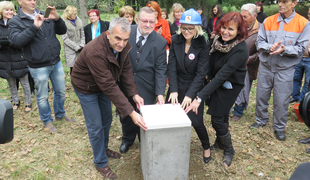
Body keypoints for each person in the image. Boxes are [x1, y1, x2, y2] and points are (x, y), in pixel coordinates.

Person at [71, 17, 146, 179]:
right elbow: (109, 86)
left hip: (102, 85)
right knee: (96, 126)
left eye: (125, 40)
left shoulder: (122, 47)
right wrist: (131, 112)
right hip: (86, 87)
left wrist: (134, 94)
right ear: (108, 34)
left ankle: (103, 148)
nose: (121, 44)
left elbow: (125, 70)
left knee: (107, 119)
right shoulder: (95, 52)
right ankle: (100, 162)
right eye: (117, 38)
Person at [185, 12, 249, 167]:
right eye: (224, 28)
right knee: (223, 115)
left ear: (239, 32)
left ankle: (229, 149)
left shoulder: (240, 49)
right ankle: (220, 143)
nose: (226, 32)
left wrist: (199, 98)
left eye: (231, 30)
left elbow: (223, 75)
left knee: (217, 119)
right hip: (215, 82)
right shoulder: (218, 41)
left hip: (229, 86)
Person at [9, 1, 76, 132]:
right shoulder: (15, 21)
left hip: (55, 61)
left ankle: (60, 115)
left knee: (61, 92)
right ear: (20, 2)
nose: (32, 1)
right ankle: (47, 121)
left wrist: (57, 19)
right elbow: (17, 41)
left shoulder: (44, 14)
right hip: (38, 66)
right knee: (43, 96)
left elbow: (62, 30)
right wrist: (34, 27)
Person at [249, 0, 310, 141]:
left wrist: (285, 49)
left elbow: (301, 48)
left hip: (285, 69)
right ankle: (261, 120)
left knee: (281, 99)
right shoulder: (268, 20)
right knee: (261, 96)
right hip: (266, 66)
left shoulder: (303, 23)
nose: (280, 4)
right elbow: (259, 42)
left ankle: (279, 127)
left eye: (285, 1)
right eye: (279, 1)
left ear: (294, 3)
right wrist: (269, 47)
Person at [119, 7, 167, 154]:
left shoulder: (160, 42)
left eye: (151, 22)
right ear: (137, 20)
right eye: (145, 21)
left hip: (147, 86)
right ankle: (127, 138)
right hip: (125, 83)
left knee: (143, 115)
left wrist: (160, 93)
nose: (148, 24)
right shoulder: (126, 32)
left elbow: (160, 69)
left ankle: (143, 139)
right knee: (126, 113)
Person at [167, 8, 211, 163]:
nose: (186, 31)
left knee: (196, 121)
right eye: (184, 27)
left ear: (197, 28)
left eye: (190, 28)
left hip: (194, 87)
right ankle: (174, 145)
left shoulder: (203, 45)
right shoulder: (175, 40)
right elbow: (171, 67)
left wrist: (189, 95)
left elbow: (201, 74)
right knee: (172, 118)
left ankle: (206, 147)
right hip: (177, 86)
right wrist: (173, 90)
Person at [0, 1, 31, 112]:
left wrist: (10, 43)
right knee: (11, 83)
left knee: (24, 82)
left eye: (11, 10)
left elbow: (22, 40)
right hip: (5, 59)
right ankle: (16, 100)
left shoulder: (18, 22)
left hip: (19, 57)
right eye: (6, 10)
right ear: (1, 11)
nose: (9, 12)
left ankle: (28, 102)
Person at [232, 3, 261, 121]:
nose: (242, 19)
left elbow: (262, 52)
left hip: (249, 67)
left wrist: (249, 59)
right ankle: (230, 107)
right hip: (234, 64)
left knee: (244, 88)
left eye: (245, 17)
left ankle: (238, 112)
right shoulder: (238, 26)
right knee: (232, 86)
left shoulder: (261, 30)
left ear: (254, 16)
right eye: (241, 16)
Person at [290, 8, 310, 104]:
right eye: (309, 13)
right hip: (299, 57)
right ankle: (295, 96)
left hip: (309, 59)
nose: (309, 16)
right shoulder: (304, 24)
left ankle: (302, 100)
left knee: (308, 81)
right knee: (295, 78)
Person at [61, 5, 85, 74]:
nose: (76, 15)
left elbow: (82, 35)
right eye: (74, 14)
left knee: (82, 68)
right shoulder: (63, 24)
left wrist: (82, 45)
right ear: (69, 15)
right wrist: (76, 47)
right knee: (74, 70)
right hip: (70, 50)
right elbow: (65, 39)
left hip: (81, 48)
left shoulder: (78, 21)